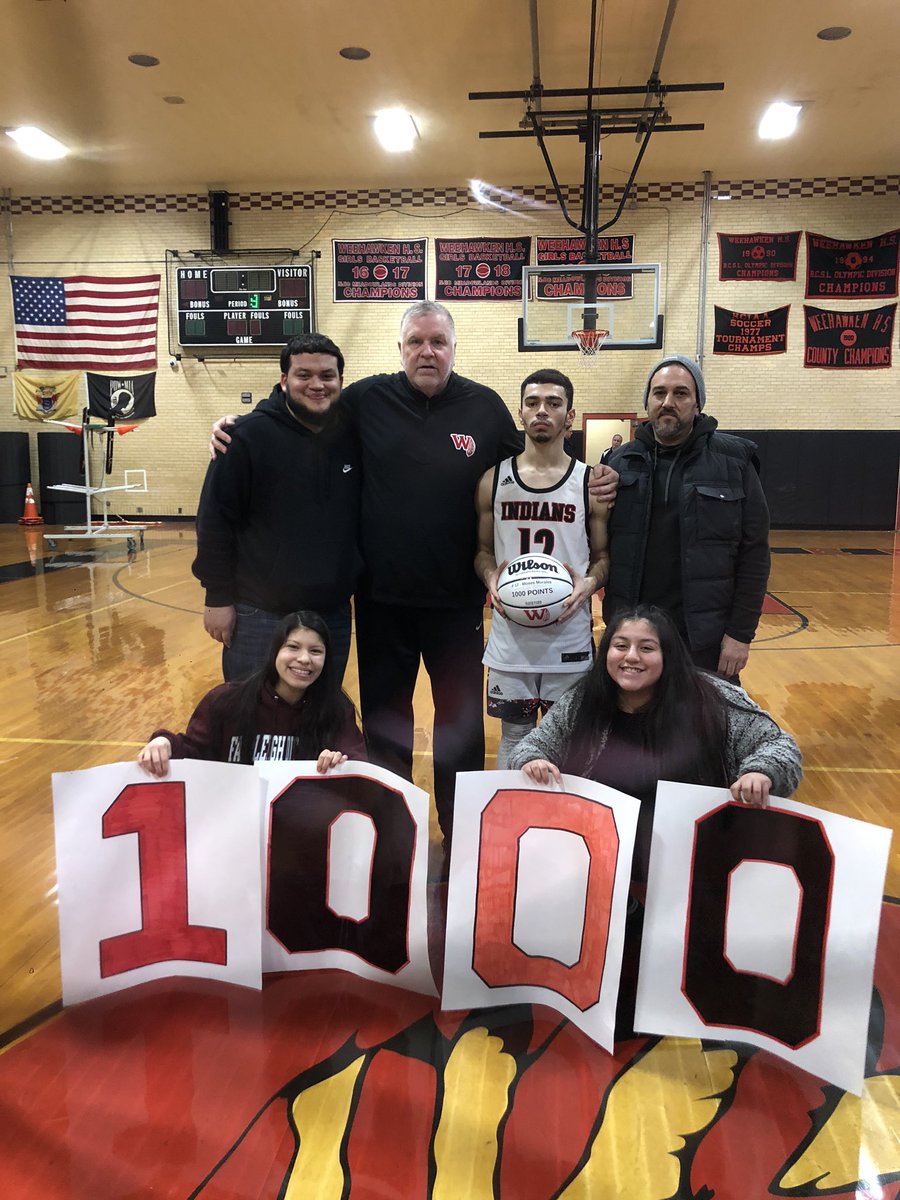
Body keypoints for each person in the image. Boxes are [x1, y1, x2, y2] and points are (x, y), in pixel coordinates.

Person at [209, 304, 619, 846]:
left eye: (438, 342)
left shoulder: (486, 407)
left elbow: (534, 462)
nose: (428, 352)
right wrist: (242, 421)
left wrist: (597, 476)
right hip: (381, 602)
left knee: (461, 727)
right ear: (400, 348)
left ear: (454, 347)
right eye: (416, 342)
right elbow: (306, 401)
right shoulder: (365, 400)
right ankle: (390, 827)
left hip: (455, 604)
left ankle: (463, 830)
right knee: (385, 725)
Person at [508, 604, 802, 1036]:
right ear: (606, 651)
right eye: (621, 645)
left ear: (668, 657)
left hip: (692, 857)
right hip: (610, 859)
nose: (631, 657)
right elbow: (532, 744)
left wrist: (760, 771)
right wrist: (532, 759)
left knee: (686, 980)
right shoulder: (585, 697)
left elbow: (781, 747)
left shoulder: (711, 698)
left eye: (647, 648)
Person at [193, 333, 362, 683]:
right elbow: (215, 519)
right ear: (284, 380)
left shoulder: (353, 434)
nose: (317, 385)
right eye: (304, 375)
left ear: (340, 381)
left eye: (327, 376)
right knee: (252, 720)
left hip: (332, 614)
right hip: (259, 614)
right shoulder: (244, 437)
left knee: (321, 720)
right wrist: (217, 597)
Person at [602, 355, 770, 680]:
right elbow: (598, 547)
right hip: (634, 636)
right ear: (647, 402)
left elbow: (755, 555)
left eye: (681, 393)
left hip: (705, 639)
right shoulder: (619, 464)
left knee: (701, 729)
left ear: (697, 404)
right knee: (633, 728)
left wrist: (740, 634)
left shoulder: (734, 462)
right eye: (659, 393)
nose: (668, 402)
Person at [475, 368, 608, 767]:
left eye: (553, 403)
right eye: (532, 403)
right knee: (514, 737)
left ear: (570, 415)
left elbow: (603, 559)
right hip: (509, 643)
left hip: (568, 640)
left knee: (566, 742)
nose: (542, 411)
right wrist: (490, 577)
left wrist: (589, 583)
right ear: (520, 413)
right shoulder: (493, 479)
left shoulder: (589, 483)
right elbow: (482, 552)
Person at [138, 610, 365, 776]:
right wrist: (163, 743)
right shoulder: (227, 701)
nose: (304, 659)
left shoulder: (335, 708)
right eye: (293, 647)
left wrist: (340, 763)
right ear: (275, 651)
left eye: (315, 651)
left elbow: (357, 762)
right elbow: (195, 751)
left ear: (326, 660)